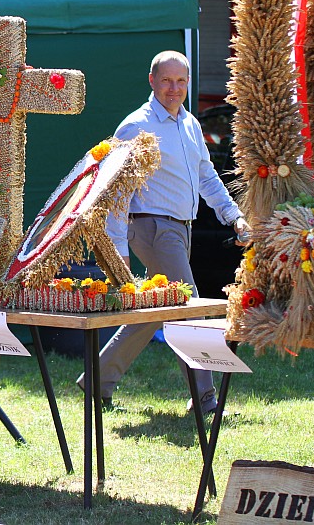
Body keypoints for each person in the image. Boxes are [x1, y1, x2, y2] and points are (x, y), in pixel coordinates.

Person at [77, 50, 250, 414]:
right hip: (152, 228)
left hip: (179, 230)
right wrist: (118, 247)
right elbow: (115, 191)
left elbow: (206, 175)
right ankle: (204, 397)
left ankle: (96, 381)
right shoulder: (135, 125)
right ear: (152, 81)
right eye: (167, 81)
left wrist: (234, 217)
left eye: (181, 81)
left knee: (157, 309)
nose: (174, 88)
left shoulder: (189, 124)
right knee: (189, 306)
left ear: (188, 83)